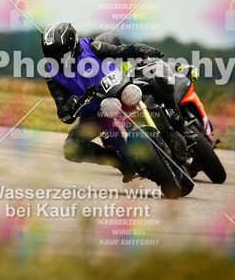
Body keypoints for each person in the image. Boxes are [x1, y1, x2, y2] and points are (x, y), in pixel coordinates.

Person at [41, 22, 163, 182]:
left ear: (72, 45)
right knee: (71, 148)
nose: (56, 58)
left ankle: (176, 123)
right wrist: (71, 106)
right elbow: (64, 114)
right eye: (51, 54)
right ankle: (119, 161)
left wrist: (139, 49)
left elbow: (121, 51)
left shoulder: (91, 48)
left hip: (119, 91)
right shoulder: (52, 75)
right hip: (93, 112)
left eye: (58, 53)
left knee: (155, 84)